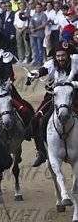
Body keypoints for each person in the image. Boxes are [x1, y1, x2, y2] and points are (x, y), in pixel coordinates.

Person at [26, 33, 78, 167]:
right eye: (58, 56)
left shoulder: (76, 63)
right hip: (54, 97)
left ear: (68, 55)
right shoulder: (52, 64)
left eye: (63, 55)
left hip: (75, 97)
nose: (60, 58)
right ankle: (42, 153)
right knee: (35, 120)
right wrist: (34, 74)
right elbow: (42, 70)